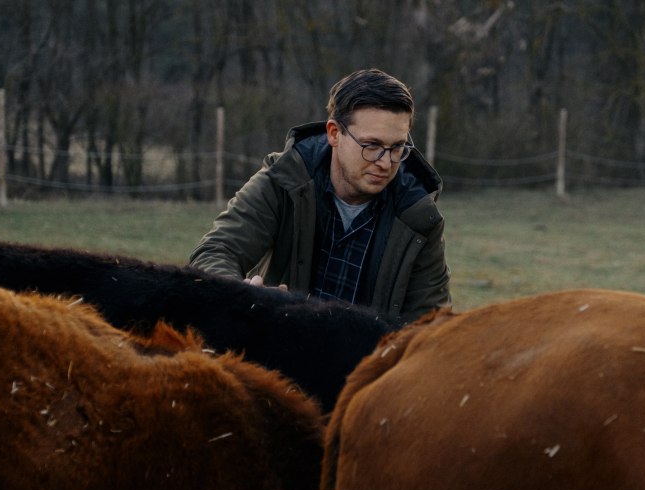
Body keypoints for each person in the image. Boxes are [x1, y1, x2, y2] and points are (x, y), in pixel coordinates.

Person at [188, 68, 451, 322]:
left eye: (397, 148)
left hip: (369, 363)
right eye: (372, 146)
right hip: (277, 348)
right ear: (334, 133)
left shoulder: (419, 217)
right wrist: (249, 299)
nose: (385, 162)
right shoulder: (285, 179)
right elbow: (214, 252)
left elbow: (432, 325)